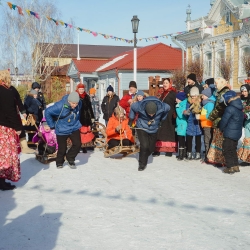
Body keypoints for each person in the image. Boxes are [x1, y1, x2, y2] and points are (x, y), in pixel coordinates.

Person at [129, 97, 170, 171]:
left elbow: (168, 108)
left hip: (154, 128)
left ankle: (144, 155)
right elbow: (132, 106)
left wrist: (162, 120)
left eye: (153, 114)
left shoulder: (163, 107)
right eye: (149, 114)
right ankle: (142, 164)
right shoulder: (139, 106)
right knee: (144, 146)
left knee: (151, 148)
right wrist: (131, 119)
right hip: (142, 127)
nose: (151, 115)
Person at [45, 92, 82, 169]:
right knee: (62, 148)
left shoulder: (79, 103)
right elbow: (47, 111)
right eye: (73, 103)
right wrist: (51, 125)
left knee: (78, 144)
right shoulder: (59, 106)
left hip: (74, 126)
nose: (74, 105)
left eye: (76, 103)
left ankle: (70, 158)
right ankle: (59, 161)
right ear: (69, 101)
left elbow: (78, 112)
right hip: (61, 128)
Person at [0, 70, 22, 190]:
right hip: (4, 129)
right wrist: (18, 127)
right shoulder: (6, 92)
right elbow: (10, 112)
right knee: (5, 156)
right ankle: (1, 181)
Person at [207, 77, 231, 166]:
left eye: (217, 84)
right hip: (219, 120)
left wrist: (211, 116)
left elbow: (220, 108)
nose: (216, 85)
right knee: (217, 140)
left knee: (220, 141)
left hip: (221, 120)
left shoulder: (224, 93)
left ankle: (222, 160)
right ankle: (217, 159)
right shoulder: (221, 92)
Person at [219, 91, 244, 174]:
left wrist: (221, 128)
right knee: (233, 149)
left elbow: (224, 121)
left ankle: (230, 167)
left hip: (230, 132)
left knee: (227, 149)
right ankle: (235, 165)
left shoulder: (230, 108)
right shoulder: (239, 107)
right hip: (237, 133)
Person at [152, 78, 177, 157]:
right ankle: (157, 150)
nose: (165, 84)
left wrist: (175, 113)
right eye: (164, 83)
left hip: (170, 115)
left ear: (170, 84)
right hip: (161, 115)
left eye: (167, 83)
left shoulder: (173, 93)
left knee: (169, 132)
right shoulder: (160, 92)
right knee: (159, 132)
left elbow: (176, 104)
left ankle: (169, 150)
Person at [183, 86, 202, 160]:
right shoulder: (188, 102)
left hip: (197, 123)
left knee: (198, 138)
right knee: (189, 138)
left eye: (195, 96)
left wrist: (199, 111)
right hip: (190, 122)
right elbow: (186, 111)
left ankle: (198, 152)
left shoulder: (200, 102)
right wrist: (186, 112)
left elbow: (202, 111)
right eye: (192, 96)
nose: (193, 98)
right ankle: (189, 152)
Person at [76, 83, 95, 153]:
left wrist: (92, 117)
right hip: (78, 117)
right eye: (80, 89)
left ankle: (84, 146)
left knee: (85, 133)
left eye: (82, 89)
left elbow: (90, 108)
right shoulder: (75, 96)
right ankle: (78, 146)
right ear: (78, 89)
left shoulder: (86, 96)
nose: (81, 90)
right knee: (78, 133)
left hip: (86, 117)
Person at [200, 86, 216, 162]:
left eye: (203, 95)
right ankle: (208, 156)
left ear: (207, 95)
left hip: (208, 125)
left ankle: (208, 157)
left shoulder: (209, 104)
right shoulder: (207, 103)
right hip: (206, 124)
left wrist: (201, 116)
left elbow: (210, 115)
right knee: (207, 140)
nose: (202, 97)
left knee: (207, 141)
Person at [237, 84, 250, 165]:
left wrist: (247, 115)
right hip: (246, 123)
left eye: (245, 91)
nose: (244, 93)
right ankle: (247, 158)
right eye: (242, 91)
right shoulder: (240, 100)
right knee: (247, 140)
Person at [175, 91, 188, 161]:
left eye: (177, 98)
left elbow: (181, 115)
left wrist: (177, 107)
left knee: (181, 139)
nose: (176, 100)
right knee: (182, 139)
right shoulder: (183, 104)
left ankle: (181, 155)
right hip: (181, 124)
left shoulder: (182, 105)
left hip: (182, 124)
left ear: (181, 99)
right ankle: (184, 154)